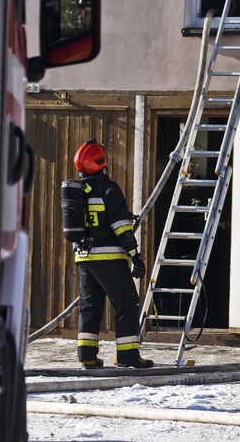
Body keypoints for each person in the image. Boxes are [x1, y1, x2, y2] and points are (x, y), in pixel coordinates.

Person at [70, 139, 154, 369]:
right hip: (108, 257)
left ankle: (87, 356)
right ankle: (127, 357)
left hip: (84, 258)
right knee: (127, 304)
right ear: (101, 163)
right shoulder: (109, 189)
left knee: (90, 306)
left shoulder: (77, 192)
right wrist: (134, 255)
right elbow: (120, 227)